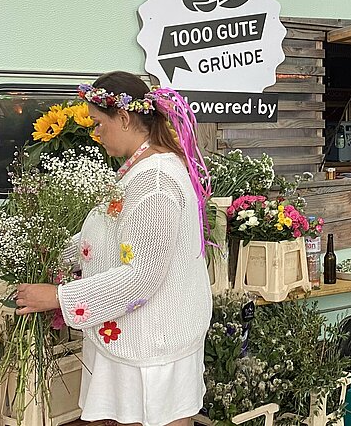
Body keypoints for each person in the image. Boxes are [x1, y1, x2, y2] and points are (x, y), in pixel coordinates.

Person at [13, 71, 213, 426]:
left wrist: (58, 297)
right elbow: (111, 234)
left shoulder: (155, 182)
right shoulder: (140, 171)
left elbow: (141, 277)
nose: (96, 133)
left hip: (152, 344)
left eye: (98, 123)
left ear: (123, 117)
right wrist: (54, 254)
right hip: (137, 336)